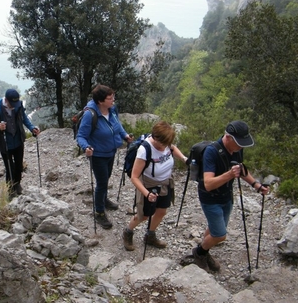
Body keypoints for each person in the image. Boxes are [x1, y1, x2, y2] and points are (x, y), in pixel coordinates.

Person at [192, 120, 269, 272]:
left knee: (217, 229)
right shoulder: (211, 152)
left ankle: (205, 251)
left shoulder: (237, 149)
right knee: (220, 235)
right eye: (239, 143)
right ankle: (199, 252)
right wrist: (229, 174)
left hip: (227, 196)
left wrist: (256, 185)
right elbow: (208, 183)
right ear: (228, 137)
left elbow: (241, 170)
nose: (241, 147)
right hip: (210, 198)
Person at [123, 121, 188, 251]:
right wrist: (147, 194)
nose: (165, 147)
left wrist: (184, 159)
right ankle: (128, 231)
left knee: (161, 211)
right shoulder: (144, 150)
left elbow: (172, 148)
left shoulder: (166, 143)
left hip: (165, 183)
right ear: (156, 137)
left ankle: (150, 235)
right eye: (163, 144)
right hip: (148, 185)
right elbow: (135, 177)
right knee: (144, 215)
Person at [76, 84, 133, 229]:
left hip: (111, 152)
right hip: (98, 155)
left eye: (113, 97)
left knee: (106, 178)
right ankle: (99, 212)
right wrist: (86, 147)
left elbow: (117, 125)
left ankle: (103, 199)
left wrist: (124, 135)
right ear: (100, 101)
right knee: (102, 182)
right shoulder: (90, 115)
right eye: (110, 98)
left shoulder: (112, 110)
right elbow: (81, 136)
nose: (113, 100)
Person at [0, 89, 40, 197]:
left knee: (19, 165)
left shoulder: (18, 106)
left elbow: (23, 118)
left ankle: (17, 184)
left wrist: (32, 128)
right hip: (4, 144)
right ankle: (11, 190)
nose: (14, 106)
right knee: (10, 168)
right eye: (12, 104)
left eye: (15, 104)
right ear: (6, 100)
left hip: (18, 141)